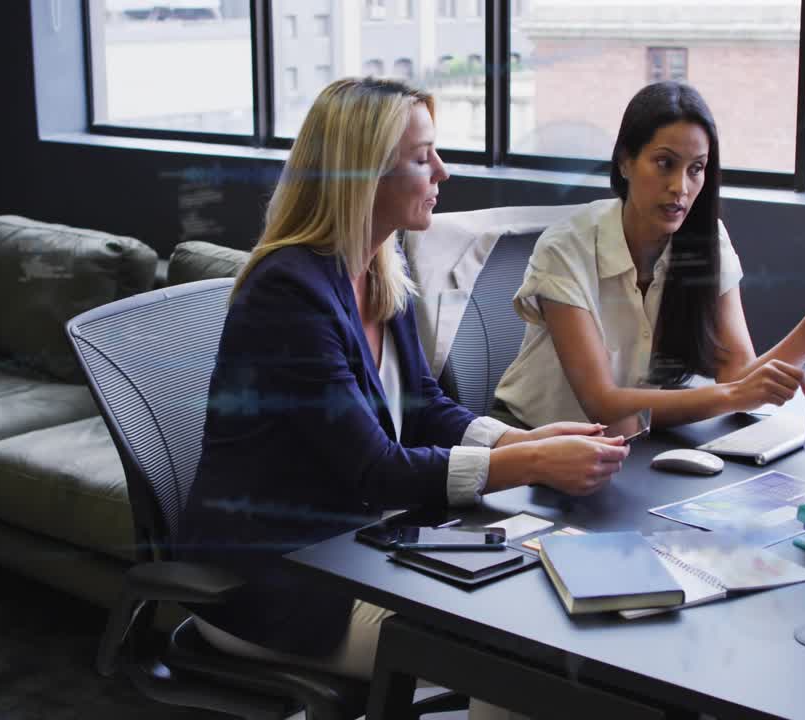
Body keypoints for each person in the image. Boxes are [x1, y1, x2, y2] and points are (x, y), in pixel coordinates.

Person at [176, 77, 630, 698]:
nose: (443, 171)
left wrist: (520, 441)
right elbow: (375, 470)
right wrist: (530, 463)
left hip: (359, 547)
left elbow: (423, 406)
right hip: (275, 582)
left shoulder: (380, 271)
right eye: (422, 158)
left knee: (537, 617)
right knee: (517, 654)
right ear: (362, 177)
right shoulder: (288, 294)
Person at [493, 81, 805, 432]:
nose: (680, 187)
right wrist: (733, 395)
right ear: (625, 162)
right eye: (665, 163)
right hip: (531, 438)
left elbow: (739, 380)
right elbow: (602, 403)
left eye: (696, 168)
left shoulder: (707, 242)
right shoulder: (564, 248)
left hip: (625, 442)